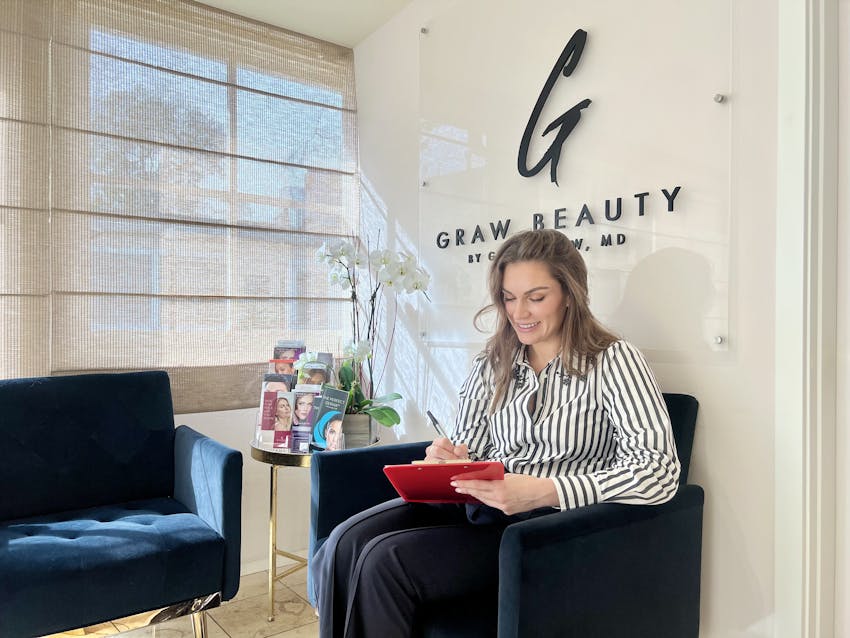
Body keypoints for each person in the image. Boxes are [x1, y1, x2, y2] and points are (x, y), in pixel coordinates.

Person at [311, 229, 681, 638]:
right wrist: (449, 459)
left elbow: (658, 472)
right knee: (344, 542)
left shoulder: (613, 361)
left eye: (536, 297)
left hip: (544, 529)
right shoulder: (493, 360)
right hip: (478, 508)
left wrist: (545, 490)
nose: (518, 311)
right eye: (509, 297)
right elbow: (470, 445)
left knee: (386, 561)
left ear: (570, 294)